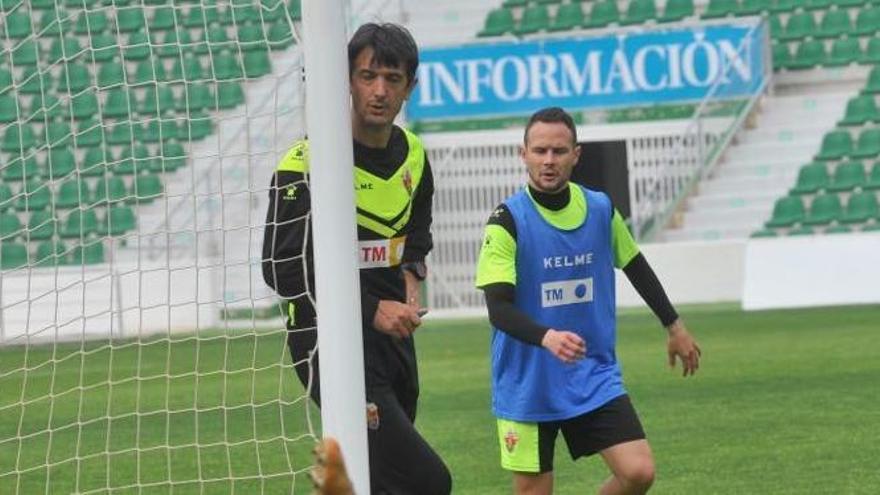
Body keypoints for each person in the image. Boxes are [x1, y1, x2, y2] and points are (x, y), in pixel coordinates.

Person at [262, 22, 451, 495]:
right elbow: (280, 266)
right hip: (327, 340)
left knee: (380, 481)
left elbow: (418, 224)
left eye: (392, 78)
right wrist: (371, 309)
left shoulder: (414, 156)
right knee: (428, 482)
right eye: (367, 76)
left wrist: (413, 268)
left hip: (394, 337)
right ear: (346, 79)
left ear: (411, 85)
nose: (379, 90)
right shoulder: (305, 163)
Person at [474, 107, 702, 495]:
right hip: (528, 381)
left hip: (591, 373)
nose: (549, 161)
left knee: (638, 472)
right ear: (523, 154)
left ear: (575, 155)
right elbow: (499, 309)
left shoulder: (599, 209)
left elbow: (636, 266)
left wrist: (675, 327)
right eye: (540, 150)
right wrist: (547, 337)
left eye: (559, 151)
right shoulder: (506, 221)